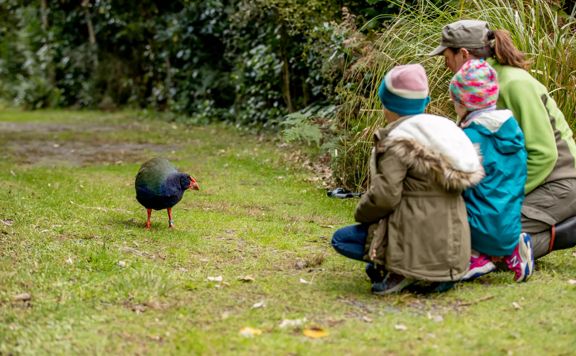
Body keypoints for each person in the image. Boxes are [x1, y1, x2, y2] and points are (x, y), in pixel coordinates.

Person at [331, 64, 484, 294]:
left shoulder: (398, 141)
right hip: (455, 253)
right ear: (426, 101)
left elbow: (385, 197)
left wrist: (362, 213)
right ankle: (440, 274)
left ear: (386, 106)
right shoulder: (448, 132)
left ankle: (400, 272)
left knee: (342, 239)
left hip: (416, 247)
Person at [430, 20, 576, 259]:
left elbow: (544, 154)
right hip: (526, 182)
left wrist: (501, 196)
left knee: (484, 237)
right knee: (462, 228)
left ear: (463, 53)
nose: (445, 64)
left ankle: (563, 233)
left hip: (559, 182)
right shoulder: (479, 86)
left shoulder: (515, 83)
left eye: (446, 56)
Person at [449, 58, 534, 282]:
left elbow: (459, 180)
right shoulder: (512, 131)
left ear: (464, 103)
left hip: (479, 226)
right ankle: (513, 251)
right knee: (499, 200)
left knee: (456, 204)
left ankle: (476, 257)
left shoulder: (470, 138)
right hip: (510, 221)